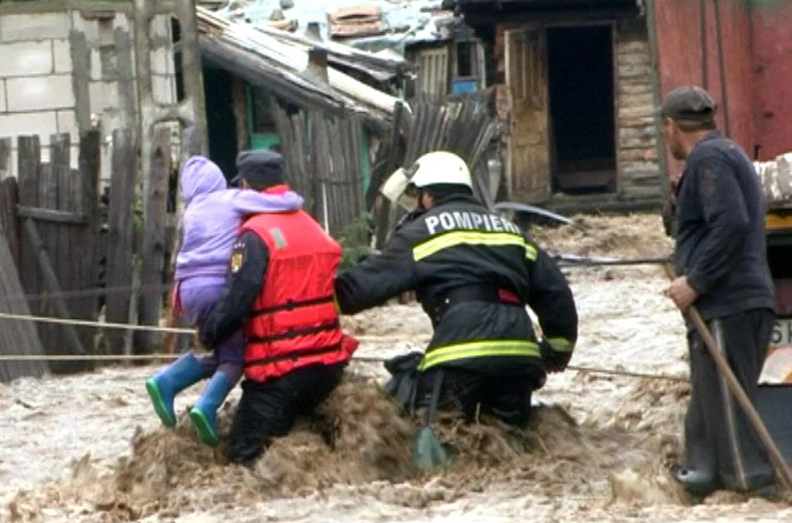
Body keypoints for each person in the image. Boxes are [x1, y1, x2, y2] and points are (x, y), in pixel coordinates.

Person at [333, 151, 578, 428]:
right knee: (510, 444)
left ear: (428, 196)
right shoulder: (512, 231)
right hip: (520, 357)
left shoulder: (423, 232)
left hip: (461, 352)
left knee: (433, 431)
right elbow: (556, 294)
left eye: (419, 197)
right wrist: (557, 353)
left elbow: (363, 286)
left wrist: (315, 301)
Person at [198, 149, 358, 465]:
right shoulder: (313, 226)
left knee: (243, 464)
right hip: (328, 369)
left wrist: (209, 333)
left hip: (280, 372)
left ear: (244, 185)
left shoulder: (253, 235)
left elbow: (237, 301)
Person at [660, 86, 777, 497]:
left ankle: (755, 490)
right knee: (709, 407)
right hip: (726, 304)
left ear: (672, 127)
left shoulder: (710, 158)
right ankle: (703, 476)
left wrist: (695, 282)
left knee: (728, 410)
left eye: (665, 132)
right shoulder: (723, 156)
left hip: (729, 303)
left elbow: (731, 224)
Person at [145, 154, 303, 447]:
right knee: (235, 359)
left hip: (186, 291)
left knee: (221, 351)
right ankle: (206, 407)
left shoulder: (191, 212)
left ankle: (168, 382)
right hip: (215, 285)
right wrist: (294, 200)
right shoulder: (230, 199)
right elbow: (271, 203)